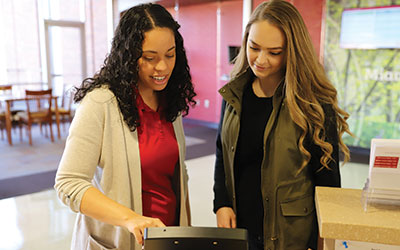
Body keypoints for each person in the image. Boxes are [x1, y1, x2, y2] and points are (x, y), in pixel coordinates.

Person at [54, 3, 196, 250]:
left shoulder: (169, 99)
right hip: (120, 240)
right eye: (150, 58)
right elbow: (69, 183)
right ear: (128, 55)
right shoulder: (101, 103)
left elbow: (178, 174)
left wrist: (186, 233)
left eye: (170, 55)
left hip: (167, 237)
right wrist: (132, 220)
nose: (162, 67)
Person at [213, 1, 352, 250]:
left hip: (292, 236)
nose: (261, 60)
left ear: (292, 51)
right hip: (240, 230)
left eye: (274, 52)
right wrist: (221, 203)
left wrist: (322, 241)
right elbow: (222, 153)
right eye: (254, 47)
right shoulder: (235, 93)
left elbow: (328, 182)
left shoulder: (313, 104)